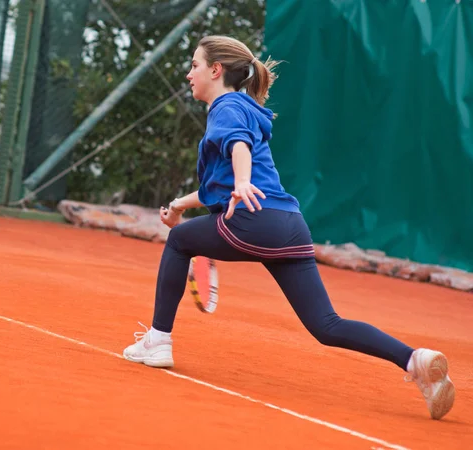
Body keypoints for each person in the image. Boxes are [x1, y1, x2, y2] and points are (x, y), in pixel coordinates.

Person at [122, 35, 455, 420]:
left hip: (253, 219)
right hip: (289, 225)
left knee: (180, 240)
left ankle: (158, 340)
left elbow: (239, 148)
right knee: (326, 325)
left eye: (194, 65)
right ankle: (415, 360)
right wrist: (181, 204)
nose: (188, 74)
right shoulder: (244, 108)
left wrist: (243, 182)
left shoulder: (226, 107)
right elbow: (222, 179)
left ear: (216, 70)